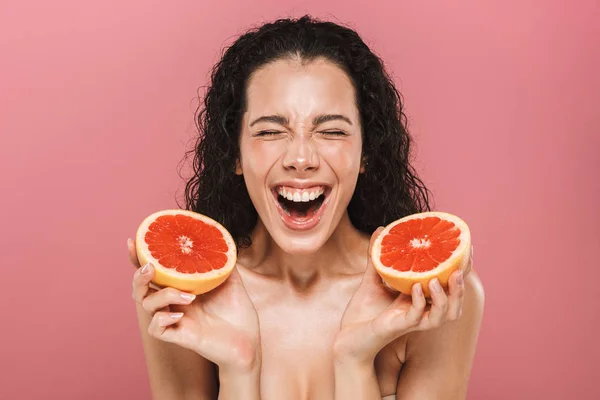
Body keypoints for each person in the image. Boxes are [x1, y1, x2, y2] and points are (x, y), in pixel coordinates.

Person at [127, 15, 484, 400]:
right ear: (235, 152)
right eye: (269, 131)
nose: (301, 158)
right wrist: (239, 366)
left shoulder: (430, 298)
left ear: (366, 151)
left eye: (332, 131)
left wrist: (355, 358)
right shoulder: (183, 295)